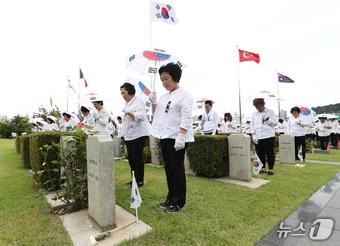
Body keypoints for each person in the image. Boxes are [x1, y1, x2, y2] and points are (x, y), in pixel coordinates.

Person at [151, 62, 194, 213]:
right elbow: (159, 116)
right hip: (165, 136)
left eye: (166, 79)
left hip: (177, 137)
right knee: (169, 169)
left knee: (177, 170)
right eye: (162, 79)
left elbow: (187, 117)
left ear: (175, 77)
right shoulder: (164, 97)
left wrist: (181, 136)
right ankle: (170, 198)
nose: (164, 82)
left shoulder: (185, 95)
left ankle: (178, 202)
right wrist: (154, 102)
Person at [120, 82, 151, 187]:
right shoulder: (127, 103)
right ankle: (133, 179)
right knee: (131, 158)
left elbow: (141, 116)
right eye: (121, 93)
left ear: (130, 92)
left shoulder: (138, 101)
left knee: (137, 157)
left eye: (123, 92)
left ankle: (140, 180)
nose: (122, 95)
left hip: (139, 134)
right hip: (129, 135)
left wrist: (128, 111)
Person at [250, 98, 277, 175]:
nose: (258, 108)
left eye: (259, 106)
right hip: (258, 137)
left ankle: (271, 169)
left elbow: (275, 123)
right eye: (256, 107)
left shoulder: (270, 112)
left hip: (268, 136)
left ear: (263, 104)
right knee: (260, 153)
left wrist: (267, 120)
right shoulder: (254, 114)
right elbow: (252, 125)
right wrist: (253, 135)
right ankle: (262, 167)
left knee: (270, 153)